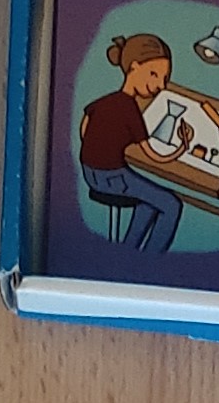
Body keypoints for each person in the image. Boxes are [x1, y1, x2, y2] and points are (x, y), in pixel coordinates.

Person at [77, 33, 185, 253]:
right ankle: (152, 259)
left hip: (89, 172)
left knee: (150, 202)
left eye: (164, 78)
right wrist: (182, 147)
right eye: (154, 75)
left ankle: (130, 252)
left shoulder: (105, 101)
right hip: (111, 179)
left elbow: (84, 129)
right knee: (172, 205)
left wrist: (106, 144)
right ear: (134, 67)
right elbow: (154, 156)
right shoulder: (130, 110)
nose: (160, 85)